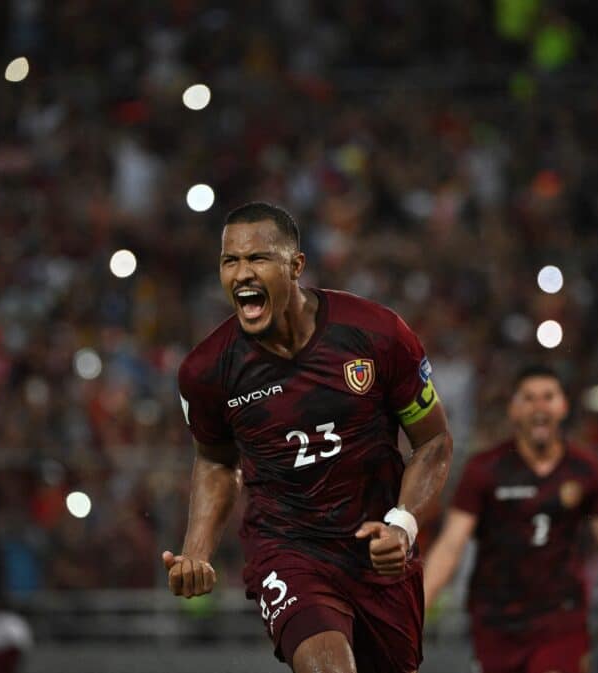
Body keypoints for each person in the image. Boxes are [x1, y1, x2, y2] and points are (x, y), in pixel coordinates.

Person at [163, 201, 454, 673]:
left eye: (257, 259)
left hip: (377, 553)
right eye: (229, 261)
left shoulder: (376, 334)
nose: (241, 274)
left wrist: (403, 524)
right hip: (287, 548)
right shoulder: (206, 370)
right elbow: (217, 461)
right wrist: (196, 550)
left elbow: (434, 442)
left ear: (295, 266)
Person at [424, 364, 598, 673]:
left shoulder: (587, 470)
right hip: (496, 623)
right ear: (513, 409)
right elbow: (450, 547)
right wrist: (414, 614)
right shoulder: (484, 470)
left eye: (548, 397)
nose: (539, 407)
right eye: (529, 398)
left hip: (559, 620)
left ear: (563, 405)